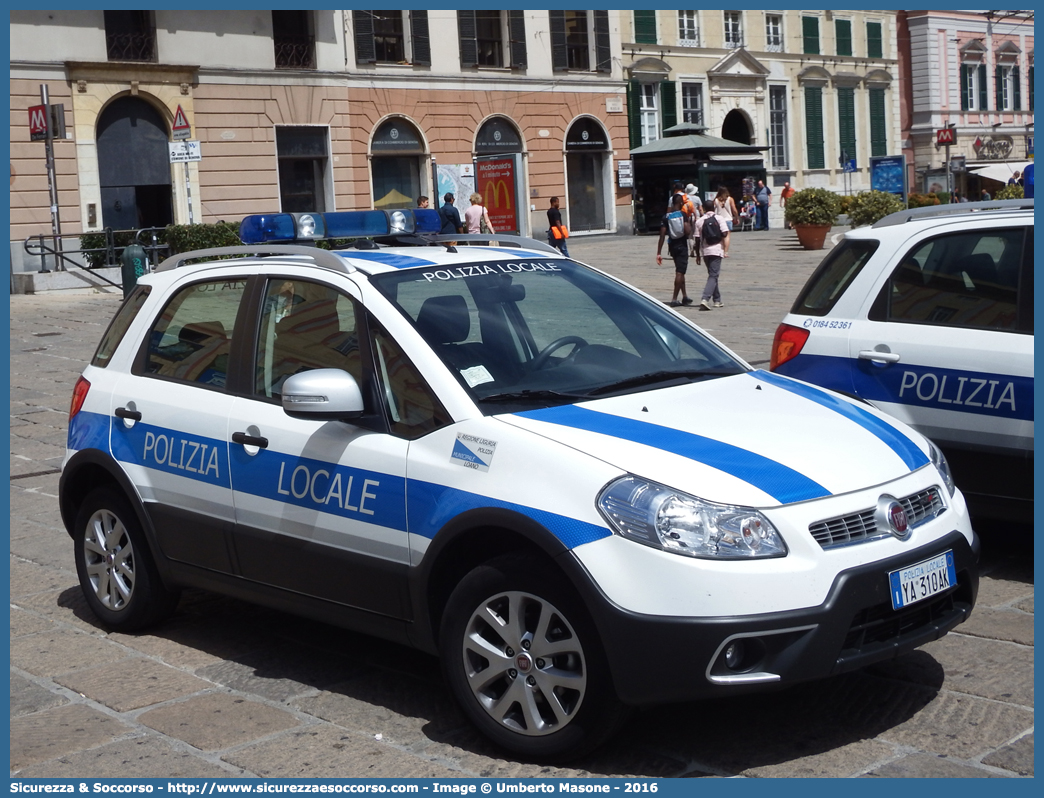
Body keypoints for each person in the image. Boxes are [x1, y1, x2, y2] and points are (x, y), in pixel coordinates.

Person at [655, 193, 693, 307]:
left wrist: (658, 252)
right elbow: (687, 231)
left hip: (672, 246)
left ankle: (685, 296)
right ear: (680, 203)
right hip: (682, 245)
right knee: (680, 272)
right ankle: (674, 298)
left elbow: (662, 235)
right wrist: (689, 226)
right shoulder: (683, 214)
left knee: (680, 270)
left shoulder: (666, 217)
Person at [693, 199, 731, 311]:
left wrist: (698, 255)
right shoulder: (719, 219)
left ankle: (717, 300)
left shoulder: (699, 221)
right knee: (713, 275)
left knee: (712, 275)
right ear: (714, 207)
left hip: (705, 251)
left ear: (704, 208)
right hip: (717, 250)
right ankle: (705, 299)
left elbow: (697, 239)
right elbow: (725, 233)